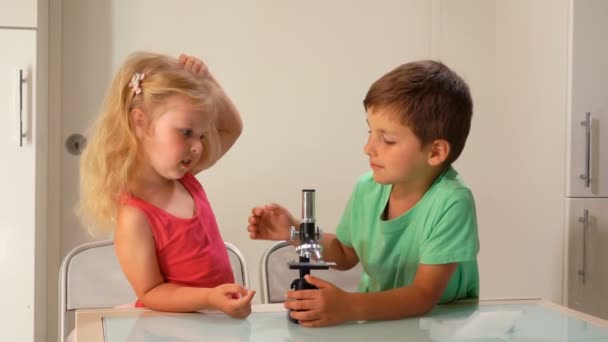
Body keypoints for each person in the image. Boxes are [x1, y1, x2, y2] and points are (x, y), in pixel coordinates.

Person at [247, 60, 479, 327]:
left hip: (440, 328)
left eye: (388, 140)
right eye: (370, 132)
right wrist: (296, 232)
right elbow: (346, 253)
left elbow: (423, 296)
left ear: (435, 152)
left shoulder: (452, 202)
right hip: (378, 325)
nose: (368, 147)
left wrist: (348, 305)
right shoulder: (368, 188)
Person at [79, 52, 255, 318]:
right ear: (141, 123)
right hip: (171, 328)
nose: (197, 147)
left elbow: (232, 128)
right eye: (186, 132)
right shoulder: (135, 215)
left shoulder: (184, 177)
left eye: (202, 135)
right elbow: (151, 292)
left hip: (210, 321)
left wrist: (209, 83)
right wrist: (208, 297)